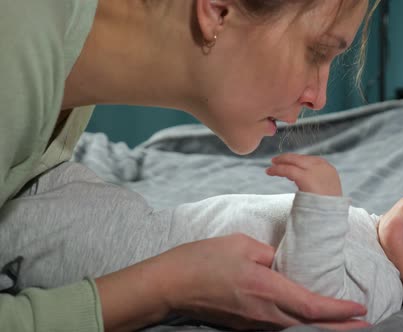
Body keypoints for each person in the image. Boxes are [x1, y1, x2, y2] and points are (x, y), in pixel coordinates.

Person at [0, 0, 381, 331]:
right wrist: (169, 287)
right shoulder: (17, 36)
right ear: (218, 10)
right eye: (317, 51)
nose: (319, 97)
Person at [147, 153, 403, 325]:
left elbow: (306, 298)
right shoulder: (370, 231)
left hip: (140, 257)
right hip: (153, 226)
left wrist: (322, 202)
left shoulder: (380, 287)